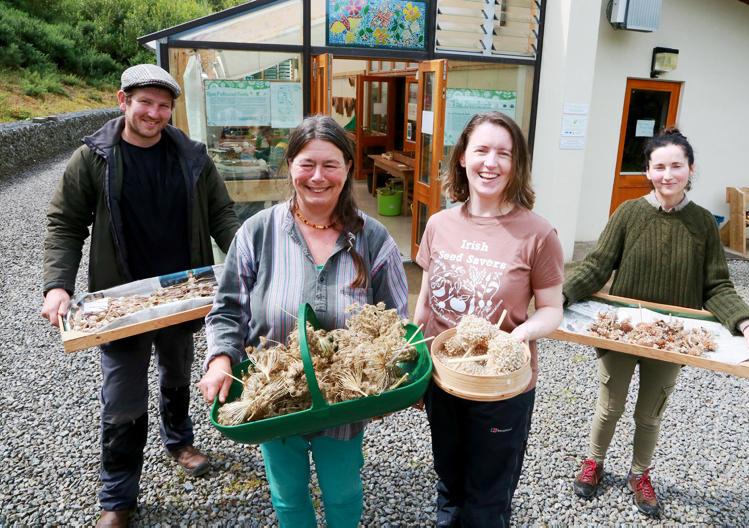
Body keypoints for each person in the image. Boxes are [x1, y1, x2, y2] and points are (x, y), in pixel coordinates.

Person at [41, 64, 241, 527]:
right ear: (123, 101)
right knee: (122, 394)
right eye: (145, 103)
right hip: (121, 300)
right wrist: (57, 285)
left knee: (178, 372)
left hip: (184, 292)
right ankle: (118, 498)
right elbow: (65, 223)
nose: (154, 113)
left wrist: (250, 265)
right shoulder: (93, 157)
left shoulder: (192, 156)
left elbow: (222, 215)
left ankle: (180, 442)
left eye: (163, 106)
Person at [197, 115, 409, 528]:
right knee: (287, 494)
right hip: (273, 396)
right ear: (290, 164)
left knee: (343, 491)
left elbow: (397, 321)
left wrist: (391, 377)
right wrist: (221, 358)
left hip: (344, 401)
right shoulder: (257, 233)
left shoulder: (372, 238)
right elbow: (227, 308)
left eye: (330, 165)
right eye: (307, 164)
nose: (317, 177)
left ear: (348, 169)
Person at [565, 128, 749, 517]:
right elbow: (597, 266)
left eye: (676, 165)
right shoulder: (628, 213)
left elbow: (716, 285)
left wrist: (746, 322)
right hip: (622, 332)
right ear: (647, 171)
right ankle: (594, 462)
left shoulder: (703, 223)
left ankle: (639, 474)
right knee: (609, 406)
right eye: (659, 167)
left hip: (674, 338)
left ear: (691, 169)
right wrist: (561, 297)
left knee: (650, 414)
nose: (667, 174)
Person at [414, 111, 565, 527]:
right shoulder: (439, 224)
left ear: (516, 165)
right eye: (481, 150)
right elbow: (425, 303)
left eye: (504, 153)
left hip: (502, 386)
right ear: (463, 156)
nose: (491, 162)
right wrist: (417, 365)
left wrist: (521, 334)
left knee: (488, 499)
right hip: (445, 381)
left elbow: (552, 309)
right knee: (449, 485)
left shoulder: (537, 234)